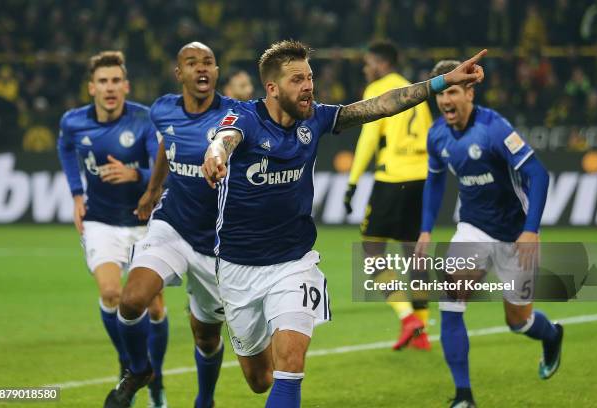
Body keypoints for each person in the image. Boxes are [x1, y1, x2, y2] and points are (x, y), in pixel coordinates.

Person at [202, 40, 486, 407]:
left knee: (291, 363)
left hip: (294, 263)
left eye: (310, 77)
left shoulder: (317, 118)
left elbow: (382, 105)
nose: (308, 86)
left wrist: (441, 82)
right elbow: (223, 140)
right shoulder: (245, 119)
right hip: (238, 268)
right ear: (272, 88)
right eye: (296, 79)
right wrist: (215, 155)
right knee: (259, 380)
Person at [415, 59, 563, 408]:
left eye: (452, 91)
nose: (445, 100)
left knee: (519, 321)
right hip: (473, 228)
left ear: (469, 91)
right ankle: (463, 396)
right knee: (451, 299)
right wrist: (425, 229)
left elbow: (539, 175)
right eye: (440, 93)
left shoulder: (494, 128)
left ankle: (552, 334)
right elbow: (435, 180)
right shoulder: (437, 135)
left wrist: (531, 231)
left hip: (515, 233)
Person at [103, 42, 238, 408]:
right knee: (131, 301)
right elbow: (167, 144)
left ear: (216, 70)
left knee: (206, 337)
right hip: (172, 226)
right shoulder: (163, 110)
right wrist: (151, 191)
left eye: (208, 61)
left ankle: (205, 400)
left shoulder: (234, 118)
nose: (201, 69)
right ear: (179, 73)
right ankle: (139, 369)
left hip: (217, 246)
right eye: (192, 63)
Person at [57, 51, 168, 407]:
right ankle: (132, 365)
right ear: (92, 87)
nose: (110, 87)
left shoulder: (143, 120)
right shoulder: (73, 122)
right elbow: (65, 147)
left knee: (153, 307)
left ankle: (156, 382)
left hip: (144, 222)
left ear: (126, 86)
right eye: (103, 81)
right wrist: (77, 194)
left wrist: (137, 175)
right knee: (110, 294)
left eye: (116, 81)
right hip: (101, 221)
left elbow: (162, 170)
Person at [344, 40, 433, 351]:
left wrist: (353, 182)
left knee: (371, 252)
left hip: (392, 177)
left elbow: (369, 138)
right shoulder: (415, 91)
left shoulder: (379, 89)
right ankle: (421, 334)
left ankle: (407, 316)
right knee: (415, 254)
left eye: (369, 63)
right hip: (422, 177)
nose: (366, 69)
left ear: (382, 64)